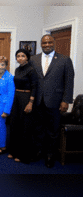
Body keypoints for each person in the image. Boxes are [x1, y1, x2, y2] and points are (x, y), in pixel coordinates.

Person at [30, 34, 74, 168]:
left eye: (49, 42)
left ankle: (50, 155)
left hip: (55, 101)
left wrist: (66, 100)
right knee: (38, 128)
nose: (47, 45)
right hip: (37, 101)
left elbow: (69, 81)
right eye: (44, 43)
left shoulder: (64, 60)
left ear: (53, 43)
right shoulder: (33, 59)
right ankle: (39, 151)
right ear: (41, 44)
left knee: (52, 130)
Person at [7, 49, 38, 164]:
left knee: (24, 127)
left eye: (22, 56)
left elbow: (35, 87)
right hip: (17, 98)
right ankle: (14, 151)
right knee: (14, 124)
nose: (20, 58)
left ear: (27, 57)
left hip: (26, 98)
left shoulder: (31, 70)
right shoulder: (17, 69)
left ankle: (23, 155)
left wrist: (30, 102)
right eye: (18, 56)